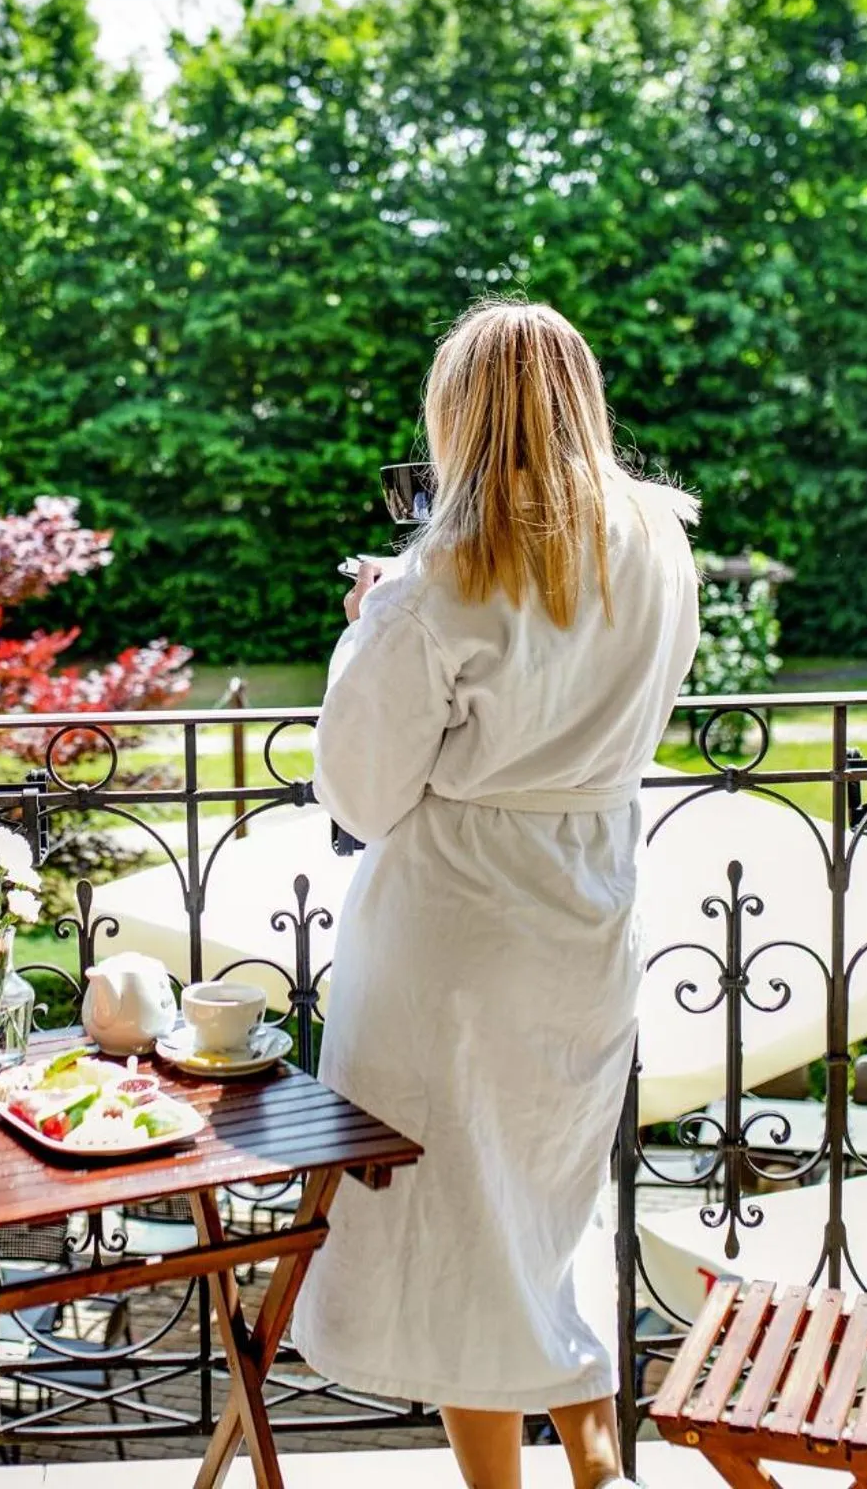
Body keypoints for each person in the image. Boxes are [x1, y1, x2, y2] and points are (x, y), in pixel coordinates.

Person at [291, 299, 700, 1489]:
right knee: (553, 1195)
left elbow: (362, 791)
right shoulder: (659, 542)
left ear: (459, 412)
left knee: (468, 1224)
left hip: (457, 929)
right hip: (589, 907)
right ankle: (601, 1466)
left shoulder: (437, 582)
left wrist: (367, 626)